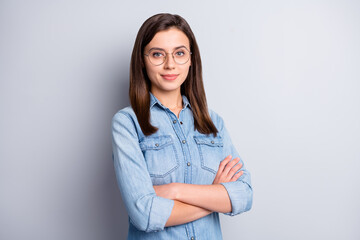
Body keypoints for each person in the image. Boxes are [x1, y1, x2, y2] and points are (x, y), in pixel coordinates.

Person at [111, 13, 253, 240]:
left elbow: (244, 195)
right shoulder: (127, 123)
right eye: (158, 54)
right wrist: (215, 197)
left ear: (191, 59)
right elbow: (145, 214)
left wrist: (176, 191)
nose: (170, 64)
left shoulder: (213, 123)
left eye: (179, 53)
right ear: (142, 60)